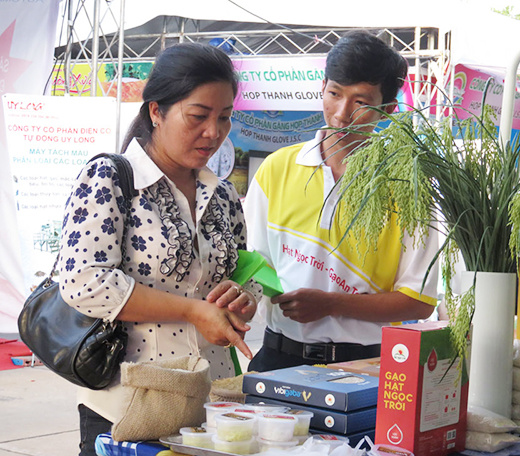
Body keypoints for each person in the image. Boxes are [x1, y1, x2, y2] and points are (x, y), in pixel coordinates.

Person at [57, 42, 261, 456]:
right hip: (130, 407)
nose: (214, 133)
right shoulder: (111, 179)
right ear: (156, 111)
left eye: (224, 118)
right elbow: (83, 283)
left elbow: (245, 271)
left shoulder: (222, 195)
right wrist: (191, 311)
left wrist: (244, 298)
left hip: (211, 406)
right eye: (198, 116)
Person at [241, 31, 439, 372]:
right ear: (322, 88)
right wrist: (245, 297)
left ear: (388, 109)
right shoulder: (277, 168)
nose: (342, 114)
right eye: (334, 93)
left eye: (361, 102)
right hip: (276, 359)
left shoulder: (409, 185)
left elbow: (418, 302)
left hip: (366, 366)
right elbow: (254, 263)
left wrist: (331, 304)